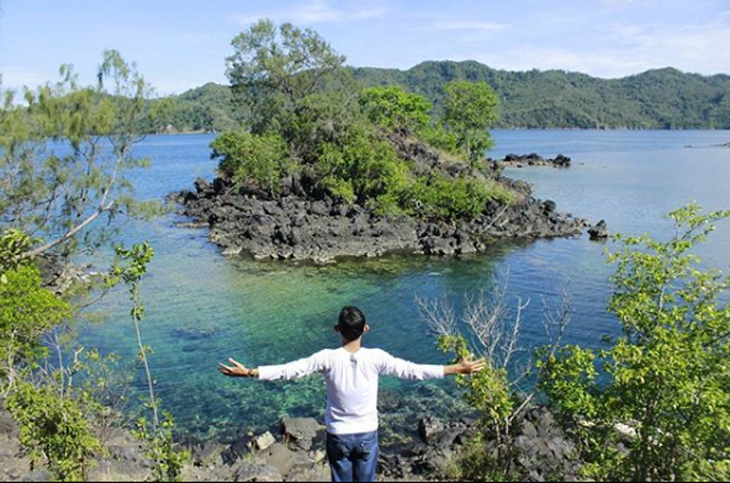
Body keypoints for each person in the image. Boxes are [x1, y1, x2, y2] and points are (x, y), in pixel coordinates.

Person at [218, 305, 486, 482]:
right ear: (365, 329)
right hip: (367, 434)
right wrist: (455, 369)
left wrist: (251, 372)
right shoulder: (377, 358)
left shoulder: (326, 358)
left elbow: (290, 370)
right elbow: (413, 371)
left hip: (338, 436)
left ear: (337, 330)